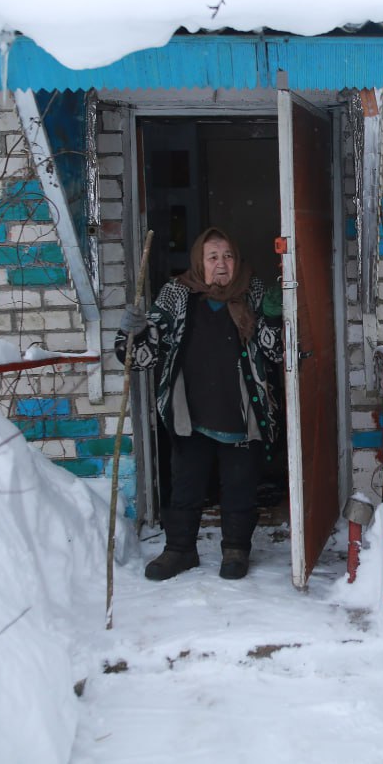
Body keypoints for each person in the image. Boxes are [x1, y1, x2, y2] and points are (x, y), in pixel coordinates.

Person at [116, 227, 283, 581]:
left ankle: (236, 549)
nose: (222, 264)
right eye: (213, 257)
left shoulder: (253, 291)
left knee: (240, 485)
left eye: (228, 256)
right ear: (199, 262)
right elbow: (144, 355)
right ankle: (179, 549)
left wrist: (272, 316)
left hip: (241, 411)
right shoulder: (177, 294)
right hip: (190, 412)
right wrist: (134, 331)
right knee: (186, 484)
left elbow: (275, 352)